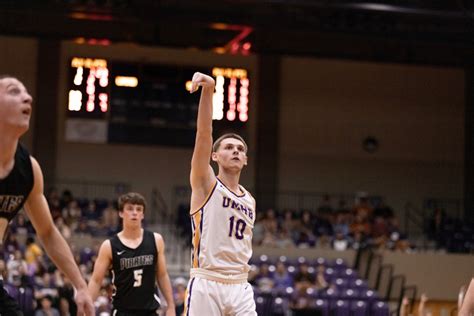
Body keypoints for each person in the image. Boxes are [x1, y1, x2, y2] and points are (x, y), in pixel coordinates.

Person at [0, 75, 94, 315]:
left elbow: (48, 232)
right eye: (13, 91)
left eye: (26, 92)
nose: (27, 97)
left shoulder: (28, 170)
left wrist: (80, 285)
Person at [184, 72, 257, 315]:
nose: (235, 151)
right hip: (207, 281)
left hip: (240, 284)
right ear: (215, 156)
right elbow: (204, 135)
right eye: (228, 147)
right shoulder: (206, 183)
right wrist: (209, 90)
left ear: (245, 160)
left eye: (240, 149)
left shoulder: (250, 200)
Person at [88, 192, 175, 316]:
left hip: (149, 311)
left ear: (143, 215)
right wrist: (88, 308)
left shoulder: (156, 240)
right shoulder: (109, 246)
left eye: (139, 209)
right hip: (123, 311)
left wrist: (171, 306)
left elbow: (162, 275)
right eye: (130, 209)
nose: (134, 212)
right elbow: (96, 280)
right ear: (121, 213)